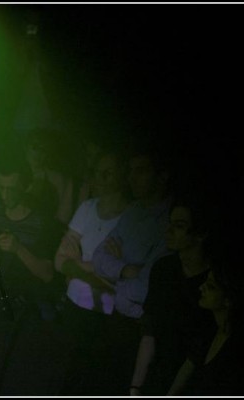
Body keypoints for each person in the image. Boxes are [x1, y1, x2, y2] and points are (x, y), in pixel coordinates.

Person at [0, 151, 65, 395]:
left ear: (25, 186)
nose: (6, 195)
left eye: (12, 188)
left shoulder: (41, 222)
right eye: (1, 188)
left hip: (22, 312)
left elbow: (47, 274)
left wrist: (18, 249)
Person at [89, 135, 173, 394]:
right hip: (117, 323)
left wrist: (116, 276)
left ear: (162, 177)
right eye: (131, 171)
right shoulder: (133, 211)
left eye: (141, 171)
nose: (132, 178)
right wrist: (126, 269)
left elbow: (146, 291)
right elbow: (98, 257)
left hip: (143, 333)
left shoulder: (171, 221)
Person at [55, 148, 131, 394]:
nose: (100, 179)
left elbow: (121, 279)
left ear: (122, 175)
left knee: (93, 381)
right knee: (66, 378)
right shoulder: (87, 208)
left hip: (105, 315)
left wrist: (78, 266)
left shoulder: (131, 217)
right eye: (98, 173)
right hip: (73, 307)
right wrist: (93, 270)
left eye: (108, 173)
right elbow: (59, 260)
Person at [129, 191, 216, 395]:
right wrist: (135, 386)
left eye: (179, 226)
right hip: (157, 374)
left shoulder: (213, 283)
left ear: (200, 233)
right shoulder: (164, 268)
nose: (168, 231)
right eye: (171, 223)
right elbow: (150, 329)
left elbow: (198, 351)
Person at [167, 241, 244, 395]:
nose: (201, 287)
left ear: (228, 298)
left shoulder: (236, 350)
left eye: (211, 286)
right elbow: (189, 365)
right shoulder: (208, 328)